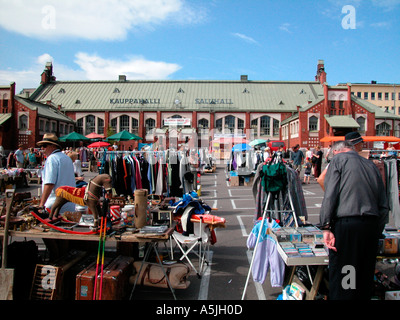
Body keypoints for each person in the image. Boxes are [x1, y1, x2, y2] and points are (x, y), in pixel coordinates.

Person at [319, 139, 389, 300]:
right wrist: (377, 230)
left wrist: (326, 226)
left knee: (347, 275)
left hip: (348, 226)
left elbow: (330, 195)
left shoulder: (338, 161)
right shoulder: (371, 165)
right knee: (364, 276)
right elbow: (383, 204)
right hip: (371, 225)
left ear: (336, 151)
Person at [37, 133, 76, 214]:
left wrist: (41, 204)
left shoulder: (51, 159)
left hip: (54, 203)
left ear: (53, 146)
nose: (42, 149)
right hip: (70, 204)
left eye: (44, 146)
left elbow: (49, 183)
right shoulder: (66, 158)